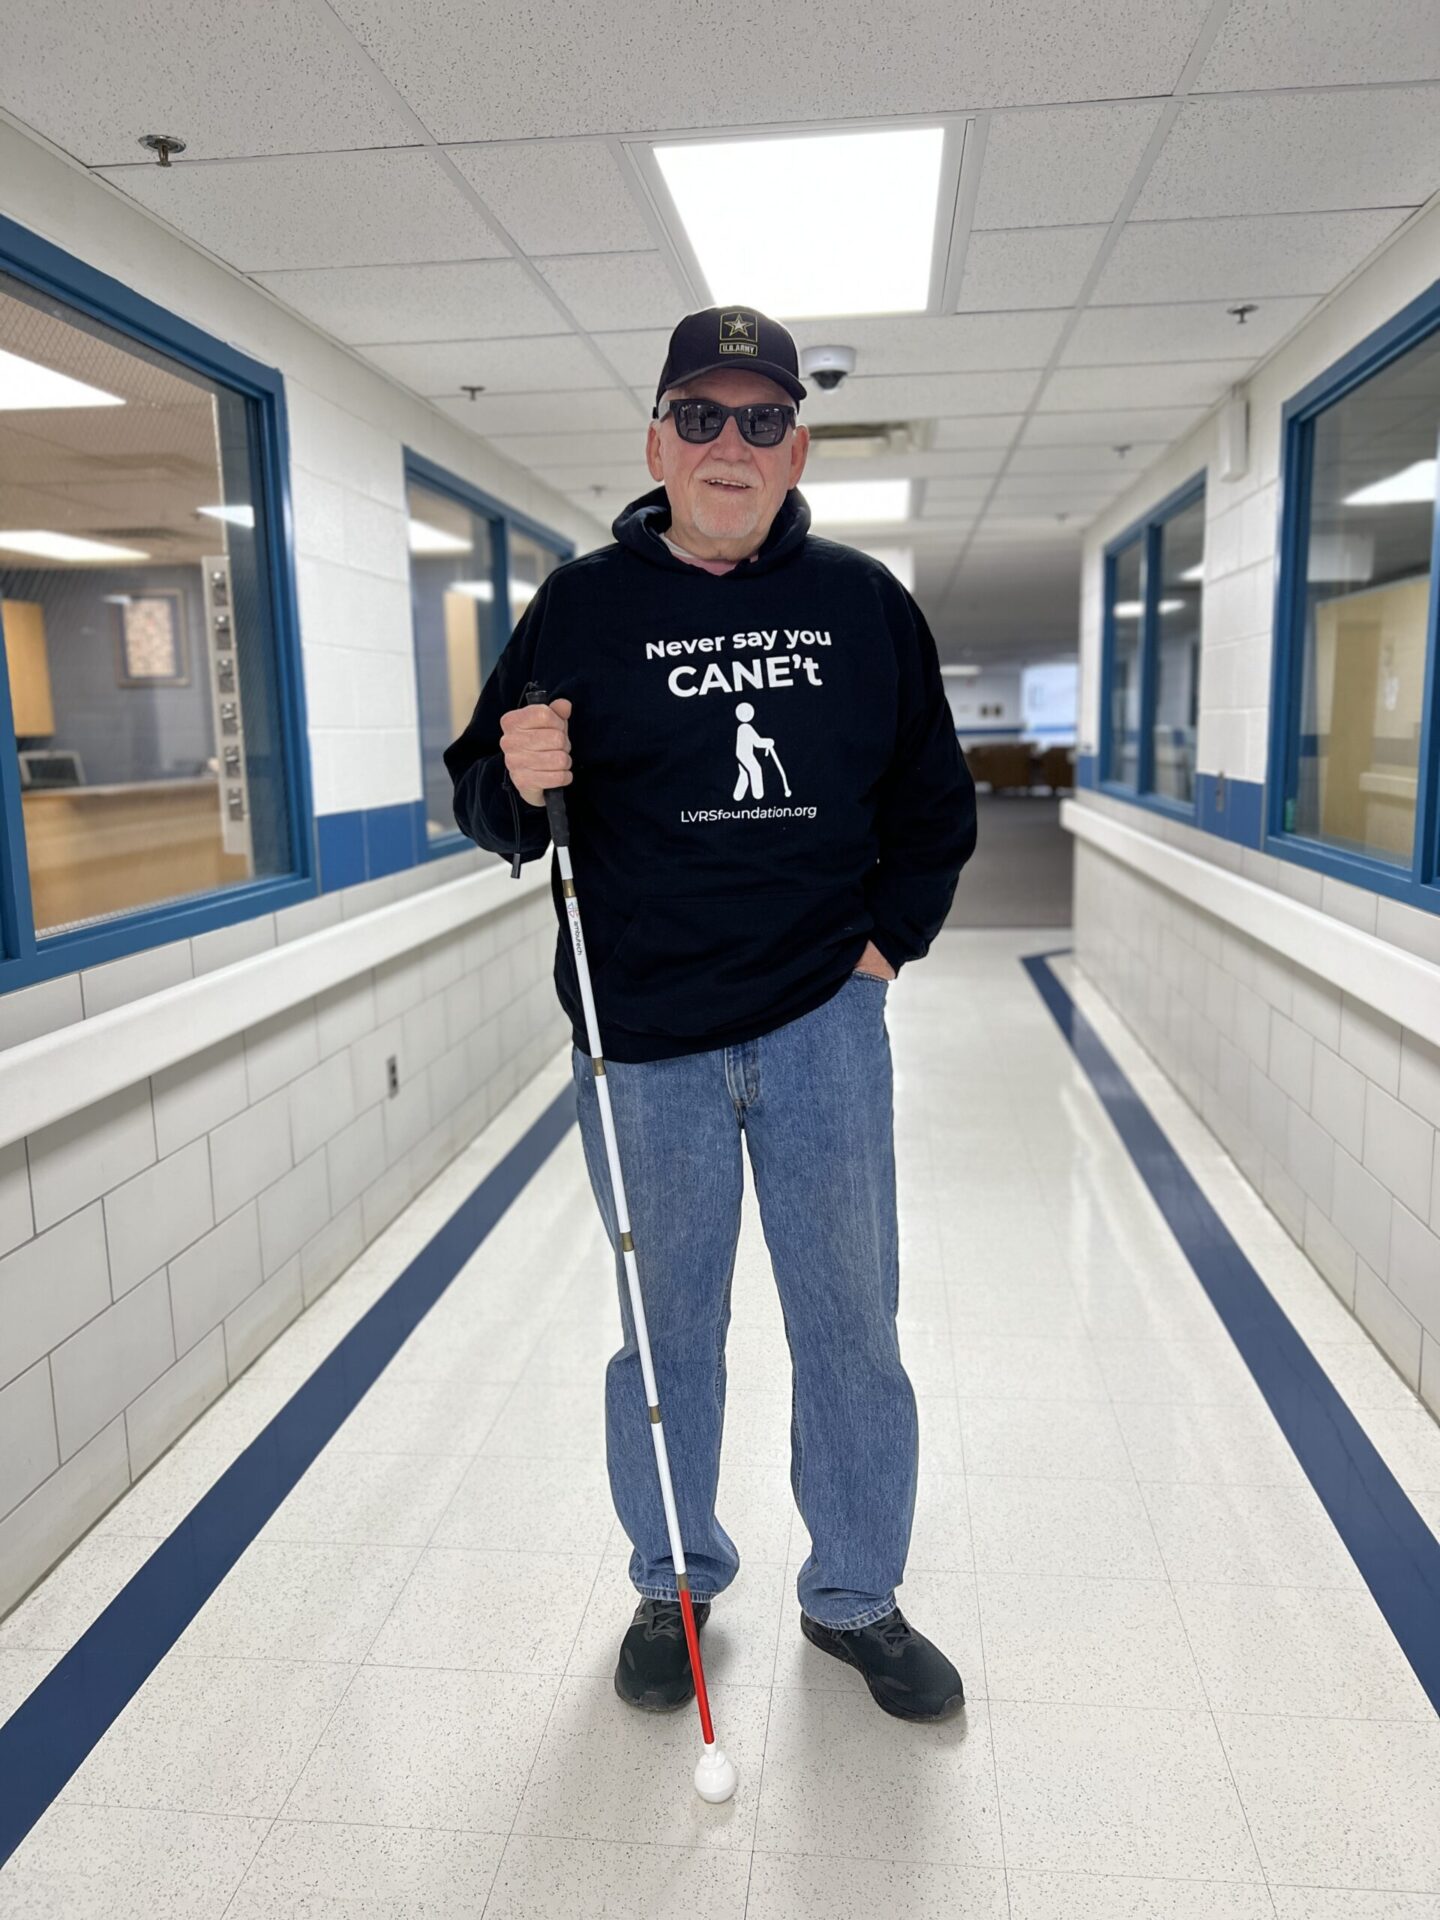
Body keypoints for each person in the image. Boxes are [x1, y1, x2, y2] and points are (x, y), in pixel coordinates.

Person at [445, 305, 977, 1723]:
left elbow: (934, 804)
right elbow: (493, 811)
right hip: (643, 1049)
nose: (729, 444)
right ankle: (672, 1581)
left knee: (851, 1324)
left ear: (797, 446)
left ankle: (856, 1597)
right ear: (657, 441)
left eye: (760, 420)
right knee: (665, 1331)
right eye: (701, 415)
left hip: (821, 1027)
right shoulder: (579, 607)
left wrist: (881, 957)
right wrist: (517, 764)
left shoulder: (865, 603)